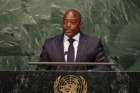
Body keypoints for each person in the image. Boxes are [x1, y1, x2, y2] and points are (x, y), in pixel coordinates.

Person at [37, 9, 109, 71]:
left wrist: (87, 74)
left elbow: (103, 68)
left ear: (80, 24)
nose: (68, 25)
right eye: (65, 22)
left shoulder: (94, 44)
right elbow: (41, 71)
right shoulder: (50, 44)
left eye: (73, 22)